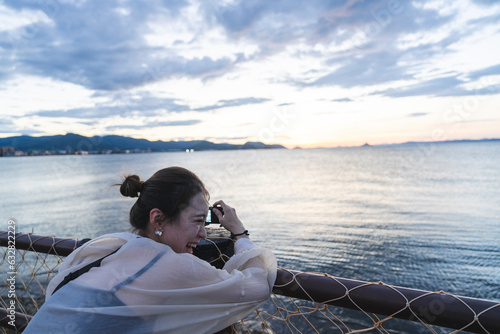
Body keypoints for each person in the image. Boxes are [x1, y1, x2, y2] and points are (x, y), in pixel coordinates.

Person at [23, 166, 277, 334]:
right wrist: (240, 233)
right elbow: (255, 287)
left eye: (205, 221)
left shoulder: (109, 248)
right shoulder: (168, 264)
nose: (203, 233)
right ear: (157, 219)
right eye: (197, 221)